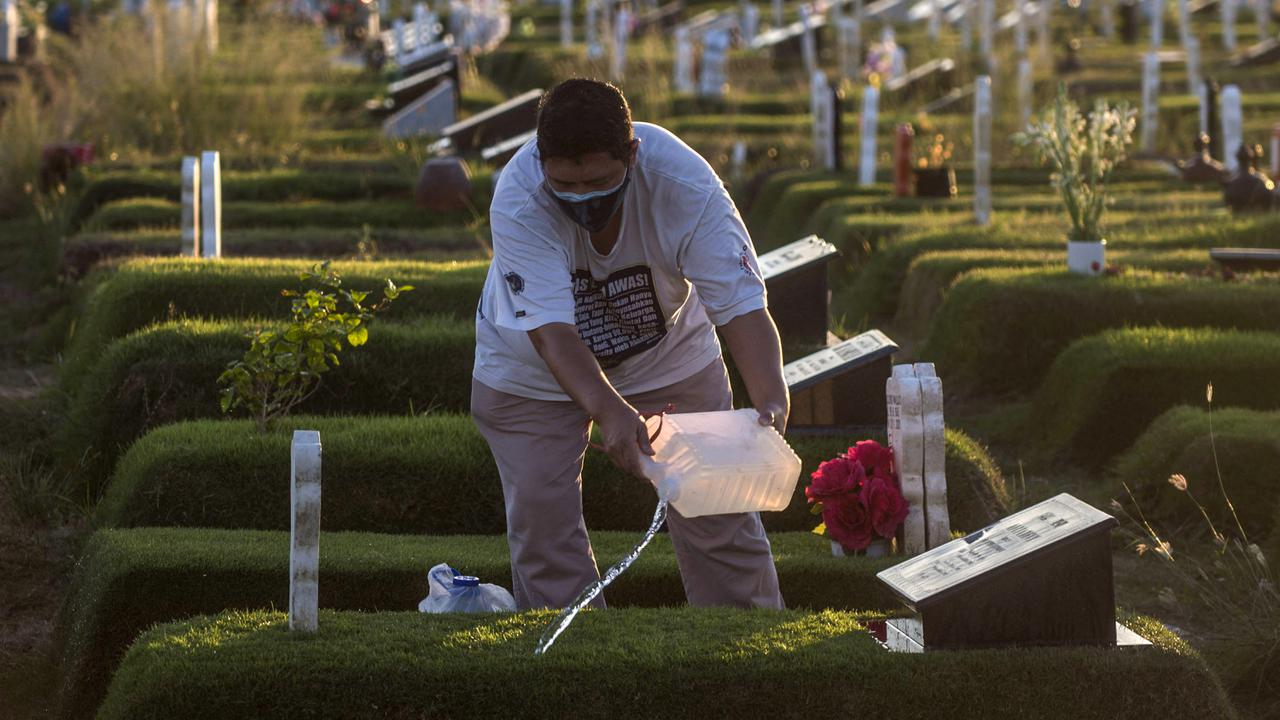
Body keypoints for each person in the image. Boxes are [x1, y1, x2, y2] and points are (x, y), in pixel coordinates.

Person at [471, 78, 789, 611]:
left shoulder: (685, 183)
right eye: (565, 187)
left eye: (598, 181)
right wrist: (611, 413)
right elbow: (553, 335)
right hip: (530, 371)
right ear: (541, 161)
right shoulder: (518, 197)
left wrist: (771, 398)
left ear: (633, 154)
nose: (582, 200)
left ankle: (745, 654)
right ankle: (580, 674)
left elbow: (742, 308)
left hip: (669, 357)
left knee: (721, 512)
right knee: (544, 525)